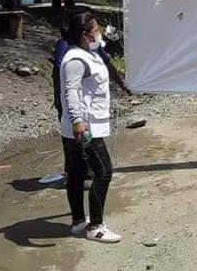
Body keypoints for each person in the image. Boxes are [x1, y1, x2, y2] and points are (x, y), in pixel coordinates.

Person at [60, 12, 122, 243]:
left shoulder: (88, 55)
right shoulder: (76, 59)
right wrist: (78, 121)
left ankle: (78, 221)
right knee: (104, 171)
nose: (99, 32)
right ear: (85, 35)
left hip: (79, 126)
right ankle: (95, 226)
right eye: (96, 29)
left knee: (76, 173)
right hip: (86, 129)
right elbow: (71, 91)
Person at [52, 21, 127, 122]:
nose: (98, 33)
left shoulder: (94, 45)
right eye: (95, 30)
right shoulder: (66, 47)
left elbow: (108, 65)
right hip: (75, 102)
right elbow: (60, 73)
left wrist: (123, 85)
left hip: (94, 104)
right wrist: (58, 96)